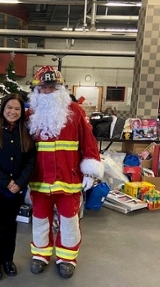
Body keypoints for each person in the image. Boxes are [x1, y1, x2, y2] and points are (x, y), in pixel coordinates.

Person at [26, 65, 104, 279]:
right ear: (36, 90)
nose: (47, 91)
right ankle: (40, 255)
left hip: (68, 178)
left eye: (52, 87)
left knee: (69, 220)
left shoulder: (75, 111)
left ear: (60, 88)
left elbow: (88, 142)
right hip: (39, 179)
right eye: (43, 87)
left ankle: (67, 258)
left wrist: (90, 171)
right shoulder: (29, 114)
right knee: (40, 218)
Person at [0, 93, 36, 281]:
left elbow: (30, 160)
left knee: (10, 225)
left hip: (17, 189)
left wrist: (19, 183)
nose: (13, 111)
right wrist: (6, 182)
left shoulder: (26, 131)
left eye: (17, 109)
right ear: (3, 109)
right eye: (9, 107)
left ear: (22, 111)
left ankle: (7, 260)